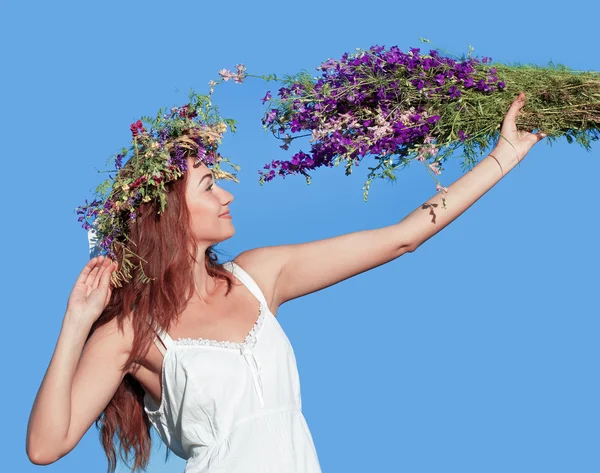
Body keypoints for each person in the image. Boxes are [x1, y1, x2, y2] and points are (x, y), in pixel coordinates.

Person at [26, 92, 544, 473]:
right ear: (168, 215)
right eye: (209, 185)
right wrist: (77, 322)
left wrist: (506, 155)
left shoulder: (258, 277)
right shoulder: (135, 333)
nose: (227, 194)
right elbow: (46, 446)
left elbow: (402, 237)